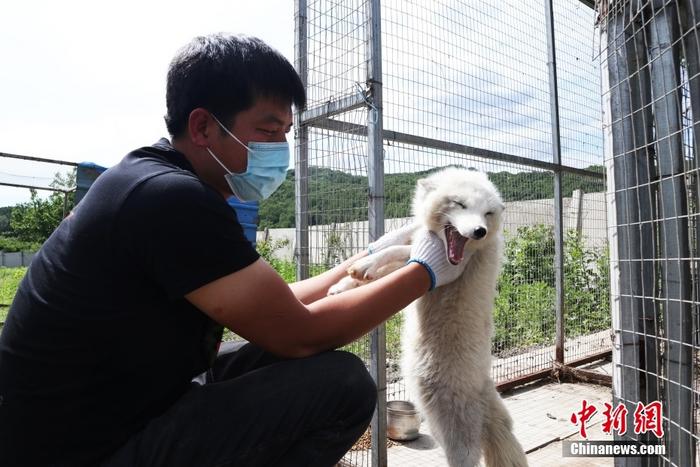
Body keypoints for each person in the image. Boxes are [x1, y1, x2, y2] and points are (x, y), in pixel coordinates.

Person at [0, 34, 466, 467]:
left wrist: (361, 261)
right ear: (203, 126)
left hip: (113, 408)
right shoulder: (170, 198)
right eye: (267, 130)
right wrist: (425, 270)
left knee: (286, 355)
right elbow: (298, 333)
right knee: (342, 385)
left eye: (286, 131)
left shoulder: (155, 181)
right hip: (83, 448)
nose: (280, 148)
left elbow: (272, 301)